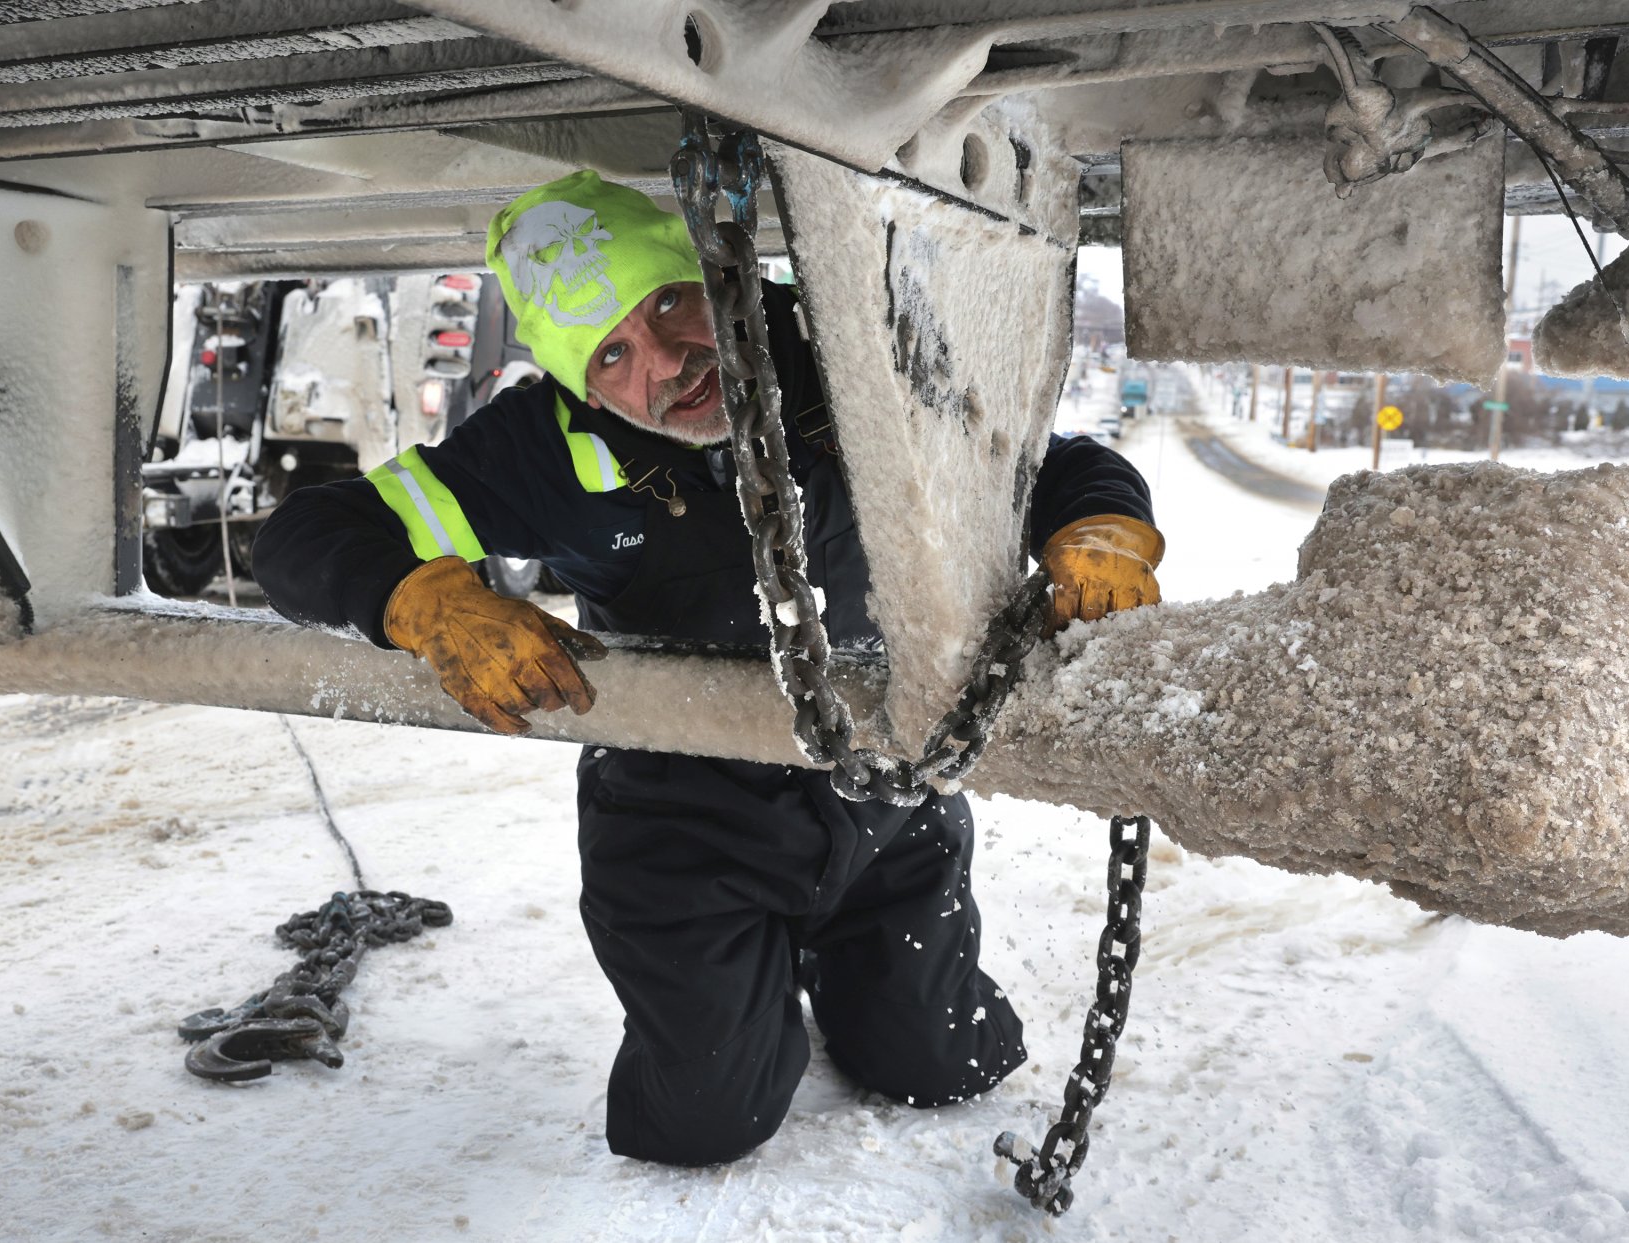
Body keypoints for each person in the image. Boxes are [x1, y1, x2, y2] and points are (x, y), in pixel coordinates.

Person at [253, 171, 1164, 1166]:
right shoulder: (542, 449)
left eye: (670, 303)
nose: (669, 362)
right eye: (612, 354)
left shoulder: (848, 356)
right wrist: (422, 599)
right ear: (578, 381)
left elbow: (1048, 461)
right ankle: (742, 986)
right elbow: (303, 536)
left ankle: (857, 977)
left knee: (940, 1064)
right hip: (683, 828)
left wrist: (1100, 529)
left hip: (884, 806)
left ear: (719, 277)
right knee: (702, 1118)